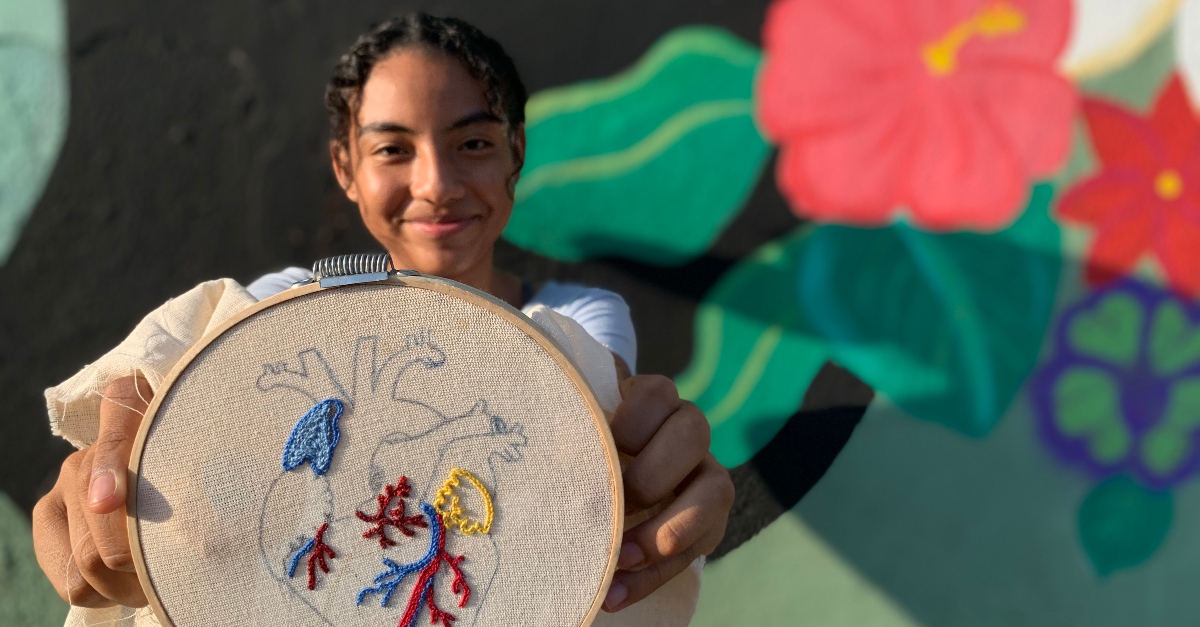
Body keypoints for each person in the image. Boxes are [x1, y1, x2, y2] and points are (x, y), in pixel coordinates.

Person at [32, 12, 733, 620]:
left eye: (475, 143)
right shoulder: (278, 309)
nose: (436, 183)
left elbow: (582, 431)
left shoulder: (576, 319)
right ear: (346, 168)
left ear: (515, 153)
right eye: (393, 149)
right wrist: (133, 477)